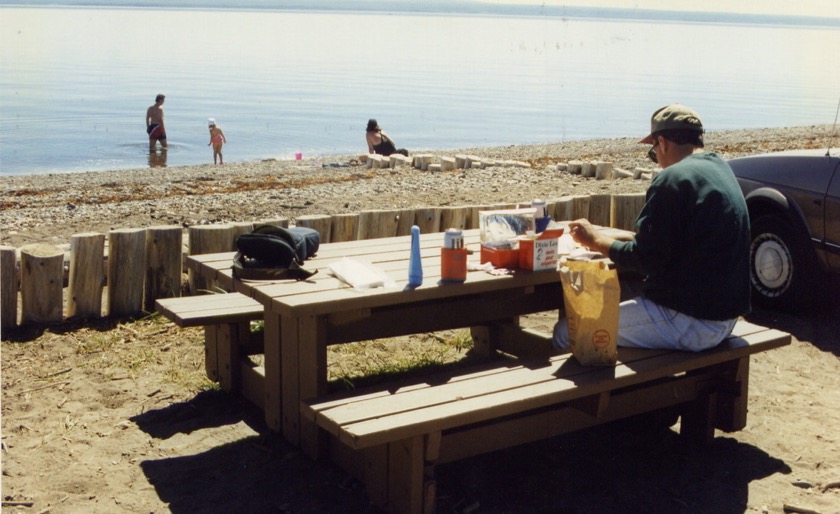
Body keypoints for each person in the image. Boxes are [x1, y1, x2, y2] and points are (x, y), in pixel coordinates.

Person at [553, 104, 751, 352]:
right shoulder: (719, 167)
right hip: (725, 315)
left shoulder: (673, 178)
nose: (656, 158)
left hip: (692, 321)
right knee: (618, 291)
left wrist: (594, 240)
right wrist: (621, 239)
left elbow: (645, 259)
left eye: (653, 150)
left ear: (663, 142)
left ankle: (597, 391)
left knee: (567, 330)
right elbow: (678, 241)